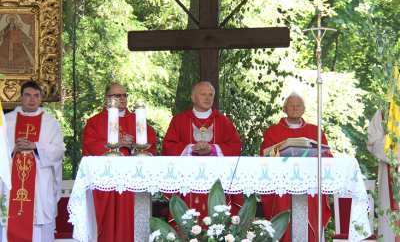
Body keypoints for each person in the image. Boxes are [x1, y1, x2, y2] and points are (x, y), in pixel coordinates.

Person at [82, 82, 157, 242]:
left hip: (134, 183)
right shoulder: (95, 122)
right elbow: (90, 146)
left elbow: (150, 146)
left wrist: (135, 146)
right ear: (106, 98)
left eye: (124, 95)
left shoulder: (139, 120)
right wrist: (117, 143)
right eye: (117, 95)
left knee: (134, 227)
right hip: (106, 184)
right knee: (108, 226)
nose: (122, 99)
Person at [162, 81, 242, 218]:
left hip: (218, 179)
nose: (207, 98)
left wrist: (213, 149)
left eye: (211, 94)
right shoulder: (179, 120)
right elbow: (168, 146)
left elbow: (235, 146)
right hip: (187, 180)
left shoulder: (223, 121)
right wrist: (190, 148)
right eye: (203, 94)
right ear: (193, 98)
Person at [259, 92, 331, 242]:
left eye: (298, 106)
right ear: (284, 109)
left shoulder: (315, 131)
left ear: (303, 109)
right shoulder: (273, 131)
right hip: (282, 186)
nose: (295, 108)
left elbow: (327, 155)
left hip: (310, 183)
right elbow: (265, 155)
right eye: (291, 105)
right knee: (284, 220)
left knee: (311, 218)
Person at [1, 80, 65, 242]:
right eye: (28, 95)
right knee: (10, 220)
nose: (32, 99)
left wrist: (35, 146)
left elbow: (58, 150)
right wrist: (13, 149)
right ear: (20, 97)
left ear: (41, 98)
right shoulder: (6, 121)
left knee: (39, 228)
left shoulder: (51, 123)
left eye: (36, 96)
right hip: (11, 187)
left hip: (39, 185)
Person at [367, 110, 400, 241]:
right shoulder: (383, 114)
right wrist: (393, 148)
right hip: (389, 177)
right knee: (389, 229)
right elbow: (372, 143)